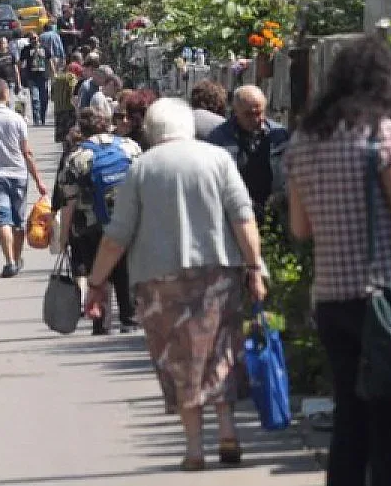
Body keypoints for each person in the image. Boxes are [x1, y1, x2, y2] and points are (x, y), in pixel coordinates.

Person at [284, 37, 391, 486]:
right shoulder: (379, 133)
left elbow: (300, 228)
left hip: (331, 298)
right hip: (383, 296)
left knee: (350, 415)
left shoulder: (304, 139)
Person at [85, 98, 266, 471]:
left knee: (180, 359)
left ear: (153, 131)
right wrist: (254, 266)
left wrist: (97, 281)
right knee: (221, 349)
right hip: (218, 271)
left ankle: (195, 447)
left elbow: (117, 235)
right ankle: (227, 428)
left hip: (157, 280)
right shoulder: (217, 159)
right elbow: (243, 218)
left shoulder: (142, 168)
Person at [56, 108, 141, 335]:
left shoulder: (76, 157)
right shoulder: (130, 148)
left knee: (98, 271)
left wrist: (63, 237)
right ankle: (129, 319)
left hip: (91, 225)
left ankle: (101, 322)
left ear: (81, 130)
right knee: (125, 270)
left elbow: (69, 203)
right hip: (127, 220)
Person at [0, 78, 48, 278]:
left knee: (3, 220)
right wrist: (39, 180)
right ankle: (17, 256)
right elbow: (27, 152)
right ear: (5, 94)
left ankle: (10, 261)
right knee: (18, 221)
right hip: (19, 175)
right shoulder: (17, 119)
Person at [207, 85, 289, 224]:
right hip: (235, 214)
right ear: (235, 112)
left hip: (273, 212)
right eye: (248, 114)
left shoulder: (279, 135)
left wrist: (280, 195)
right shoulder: (219, 138)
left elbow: (290, 172)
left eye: (259, 113)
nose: (256, 119)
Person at [19, 32, 51, 126]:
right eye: (32, 38)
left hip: (43, 77)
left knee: (44, 99)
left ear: (38, 38)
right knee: (35, 99)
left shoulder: (45, 48)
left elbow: (50, 61)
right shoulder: (26, 49)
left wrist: (53, 74)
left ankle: (43, 118)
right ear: (29, 40)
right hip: (32, 77)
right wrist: (21, 73)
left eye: (35, 38)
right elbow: (21, 62)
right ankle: (36, 120)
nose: (34, 40)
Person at [51, 63, 80, 143]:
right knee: (70, 136)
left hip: (58, 110)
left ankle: (65, 152)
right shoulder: (72, 78)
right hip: (69, 110)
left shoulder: (57, 79)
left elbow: (52, 97)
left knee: (62, 138)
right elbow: (72, 93)